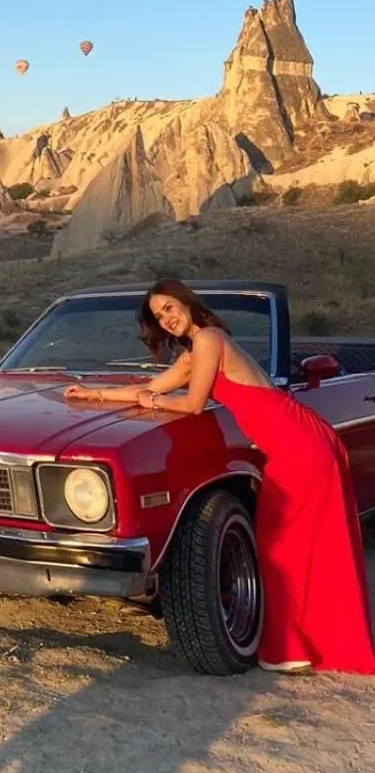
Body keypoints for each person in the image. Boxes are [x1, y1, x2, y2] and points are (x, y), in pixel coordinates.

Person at [64, 277, 375, 675]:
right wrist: (95, 395)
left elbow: (192, 404)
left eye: (170, 308)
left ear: (188, 304)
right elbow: (153, 386)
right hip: (289, 445)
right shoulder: (196, 353)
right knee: (290, 544)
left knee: (286, 545)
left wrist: (154, 401)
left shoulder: (210, 338)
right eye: (159, 316)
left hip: (299, 443)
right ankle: (299, 647)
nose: (167, 319)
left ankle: (297, 649)